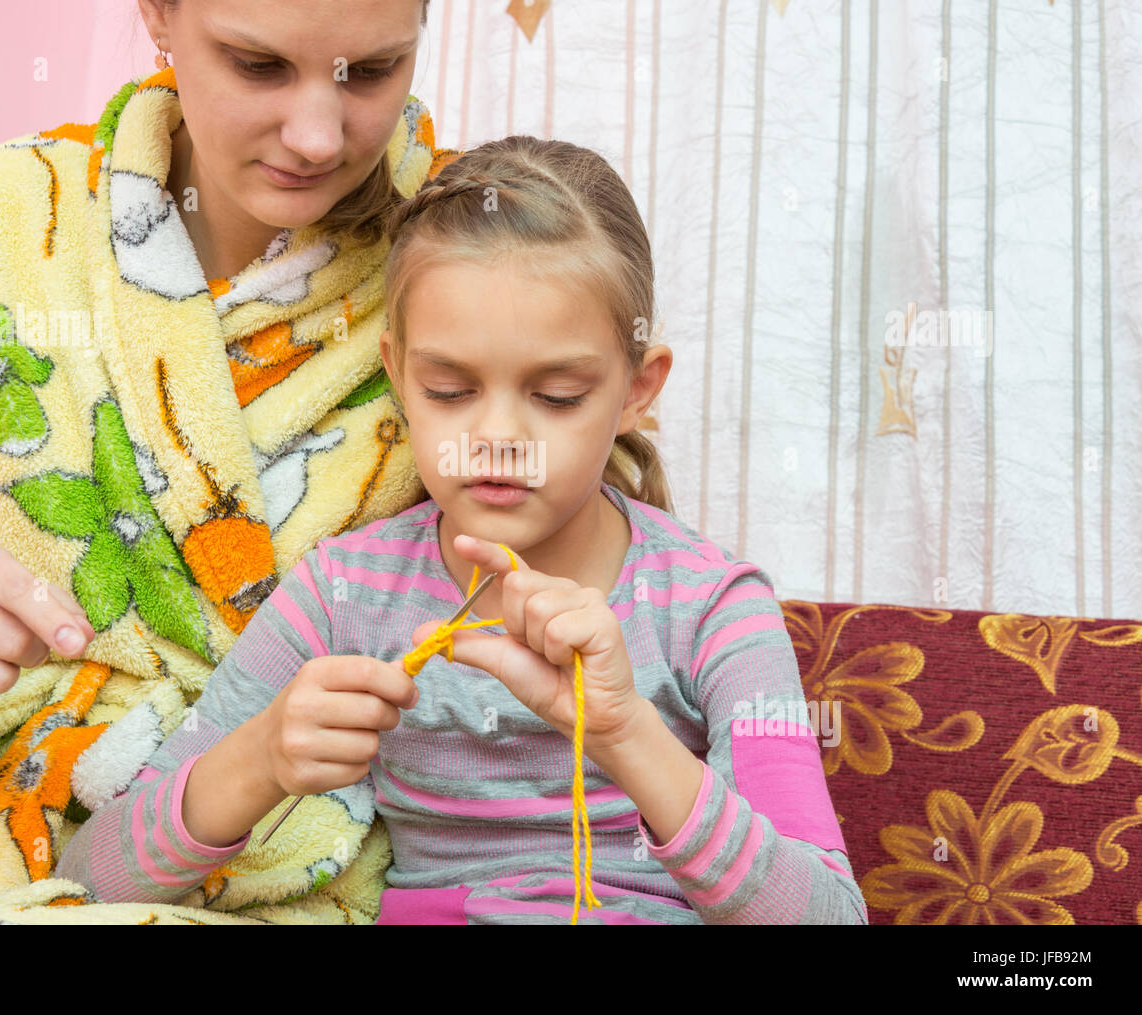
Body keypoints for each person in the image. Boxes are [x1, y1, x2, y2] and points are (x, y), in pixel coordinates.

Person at [55, 134, 871, 925]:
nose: (498, 438)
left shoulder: (713, 607)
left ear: (636, 390)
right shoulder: (344, 594)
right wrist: (257, 759)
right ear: (398, 375)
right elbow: (86, 880)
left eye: (556, 396)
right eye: (450, 389)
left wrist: (626, 735)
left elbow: (830, 916)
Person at [0, 0, 448, 924]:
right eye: (257, 65)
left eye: (369, 73)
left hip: (277, 868)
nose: (318, 135)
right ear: (158, 14)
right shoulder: (2, 216)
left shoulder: (467, 263)